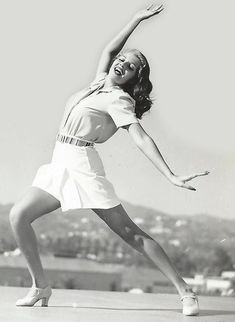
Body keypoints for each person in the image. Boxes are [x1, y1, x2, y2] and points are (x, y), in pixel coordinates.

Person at [10, 3, 209, 316]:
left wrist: (170, 175)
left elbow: (141, 137)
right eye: (122, 60)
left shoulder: (119, 100)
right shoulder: (100, 82)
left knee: (129, 233)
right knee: (18, 216)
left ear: (133, 78)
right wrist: (136, 19)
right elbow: (109, 48)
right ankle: (40, 287)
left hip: (81, 163)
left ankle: (186, 292)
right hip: (59, 160)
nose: (121, 64)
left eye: (129, 66)